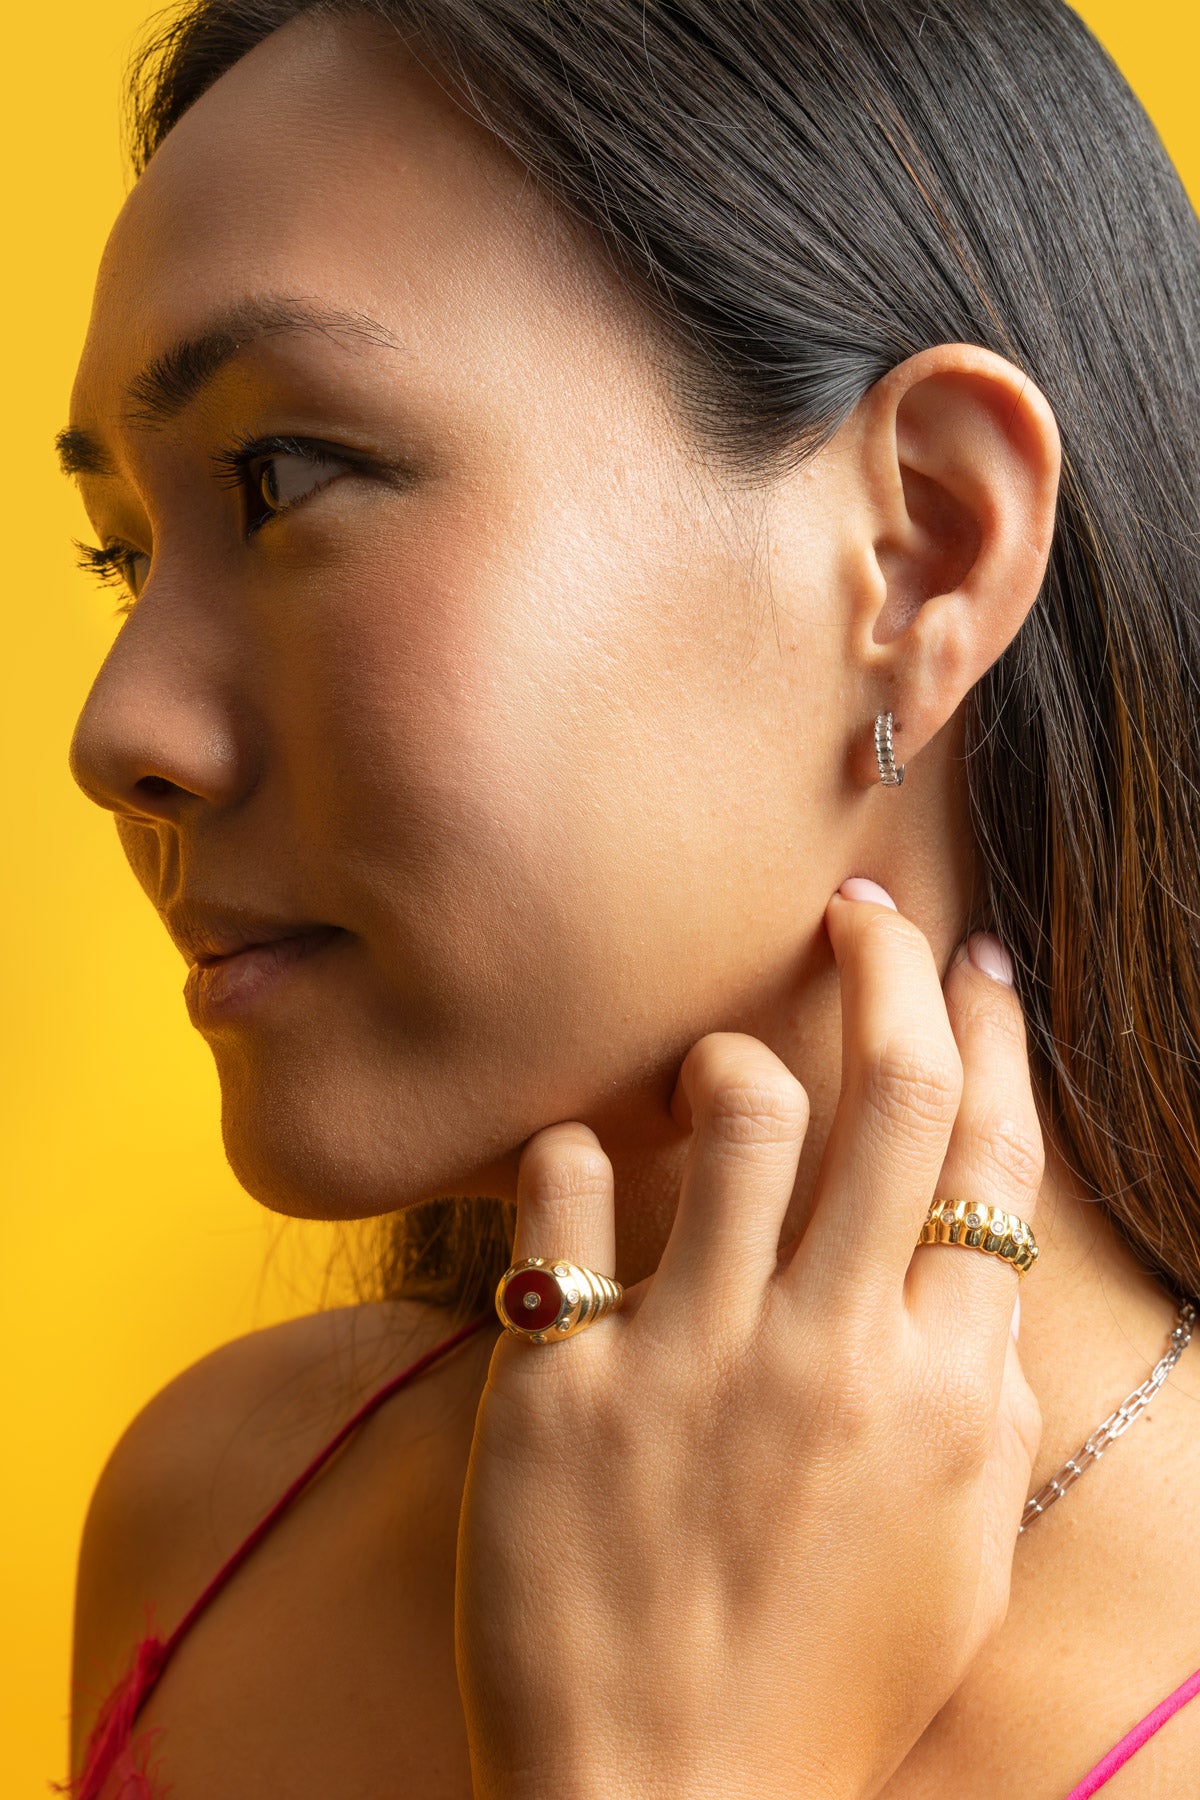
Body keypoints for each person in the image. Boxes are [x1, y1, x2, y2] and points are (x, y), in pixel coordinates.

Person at [55, 1, 1200, 1795]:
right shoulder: (214, 1511)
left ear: (922, 544)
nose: (116, 728)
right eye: (122, 555)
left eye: (282, 481)